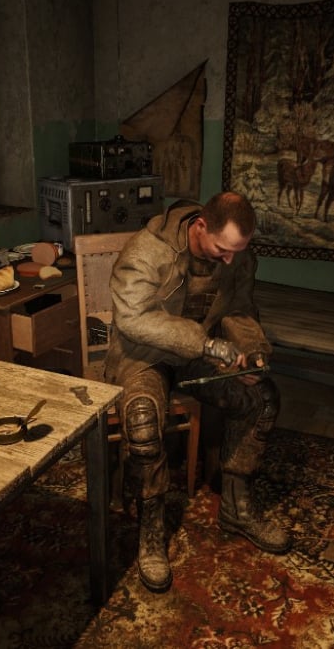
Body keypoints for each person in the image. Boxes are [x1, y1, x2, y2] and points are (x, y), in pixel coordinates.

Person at [105, 191, 288, 593]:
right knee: (141, 423)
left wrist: (253, 353)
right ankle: (150, 529)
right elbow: (133, 320)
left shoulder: (234, 254)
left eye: (235, 253)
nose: (228, 260)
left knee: (262, 399)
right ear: (201, 226)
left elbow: (240, 308)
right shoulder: (145, 250)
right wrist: (207, 345)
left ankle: (237, 507)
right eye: (222, 250)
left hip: (196, 354)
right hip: (143, 356)